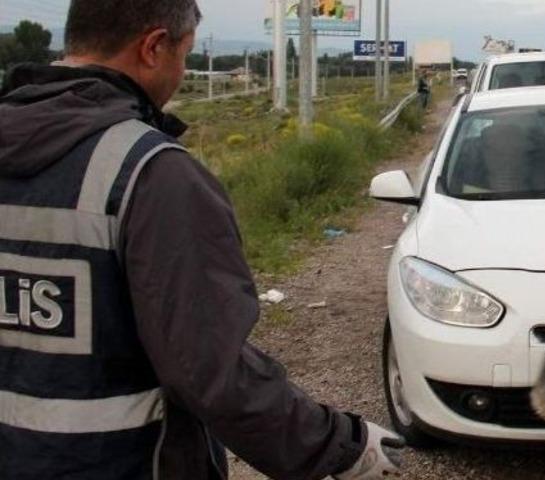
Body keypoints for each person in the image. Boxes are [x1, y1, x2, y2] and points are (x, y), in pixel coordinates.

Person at [0, 1, 404, 479]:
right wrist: (341, 447)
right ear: (153, 47)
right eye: (185, 53)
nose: (183, 69)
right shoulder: (153, 175)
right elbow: (212, 374)